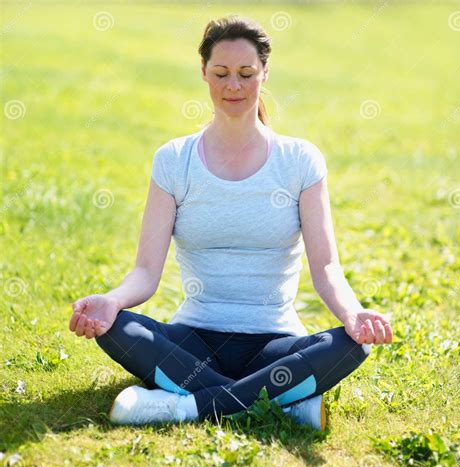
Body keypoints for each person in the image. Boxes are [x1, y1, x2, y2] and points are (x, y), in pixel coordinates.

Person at [68, 15, 393, 431]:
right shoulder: (174, 160)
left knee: (353, 347)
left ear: (265, 73)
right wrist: (111, 301)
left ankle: (183, 407)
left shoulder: (300, 160)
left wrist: (353, 313)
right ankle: (283, 401)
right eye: (221, 73)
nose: (233, 86)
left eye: (246, 73)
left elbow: (326, 268)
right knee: (117, 328)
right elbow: (146, 273)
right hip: (193, 341)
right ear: (203, 72)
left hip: (274, 343)